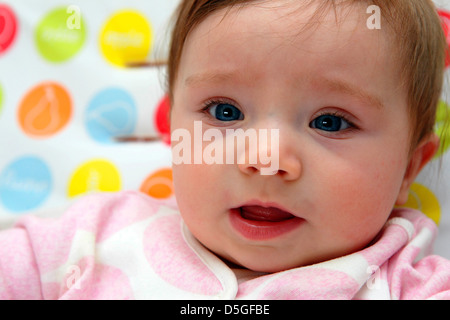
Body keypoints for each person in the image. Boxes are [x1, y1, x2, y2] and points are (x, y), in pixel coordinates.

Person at [1, 0, 449, 299]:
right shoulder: (89, 239)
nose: (266, 158)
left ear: (409, 168)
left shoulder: (407, 286)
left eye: (329, 122)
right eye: (225, 112)